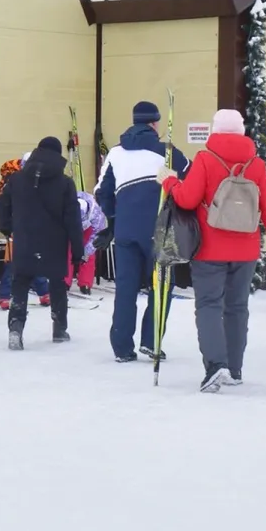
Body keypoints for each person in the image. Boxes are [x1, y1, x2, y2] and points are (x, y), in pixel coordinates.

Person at [161, 109, 266, 392]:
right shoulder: (256, 164)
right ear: (242, 132)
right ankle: (234, 368)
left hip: (209, 249)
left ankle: (215, 366)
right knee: (237, 308)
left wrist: (170, 181)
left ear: (215, 131)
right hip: (245, 251)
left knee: (209, 306)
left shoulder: (206, 159)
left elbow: (186, 199)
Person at [94, 100, 190, 363]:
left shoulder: (115, 152)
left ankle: (122, 347)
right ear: (155, 123)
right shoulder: (167, 151)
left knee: (125, 289)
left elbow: (101, 190)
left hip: (125, 229)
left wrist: (114, 217)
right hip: (160, 228)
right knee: (161, 286)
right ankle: (152, 340)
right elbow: (190, 181)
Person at [0, 136, 85, 350]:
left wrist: (9, 229)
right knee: (57, 284)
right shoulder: (65, 183)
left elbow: (2, 206)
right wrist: (78, 250)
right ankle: (59, 328)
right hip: (55, 242)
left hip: (25, 239)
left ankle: (16, 329)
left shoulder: (16, 179)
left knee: (20, 283)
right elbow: (73, 219)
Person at [0, 154, 50, 310]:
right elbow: (3, 206)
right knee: (12, 264)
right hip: (16, 228)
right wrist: (6, 226)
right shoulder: (13, 183)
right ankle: (5, 296)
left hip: (34, 228)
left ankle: (44, 292)